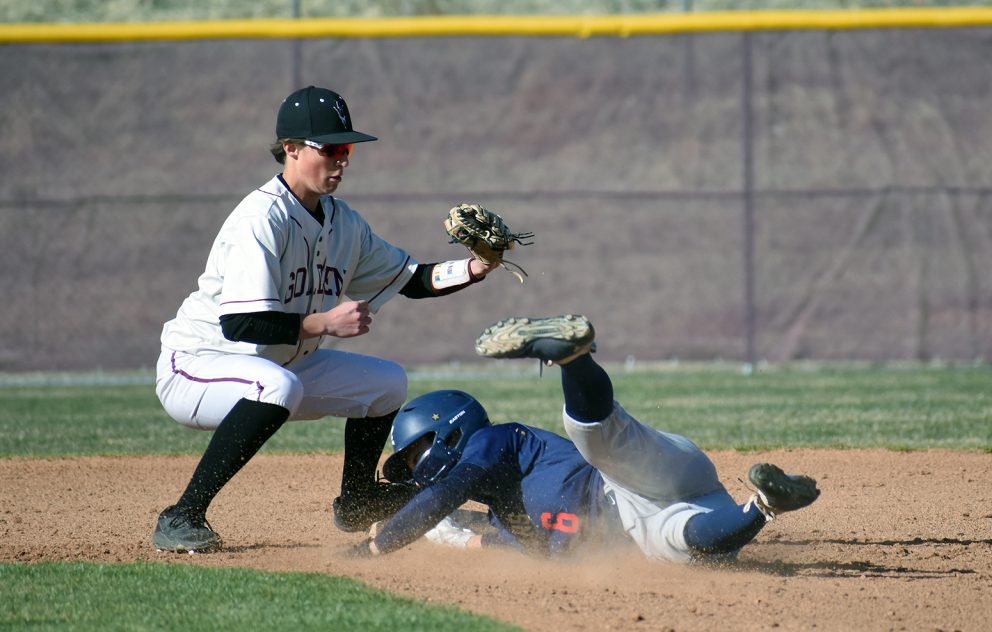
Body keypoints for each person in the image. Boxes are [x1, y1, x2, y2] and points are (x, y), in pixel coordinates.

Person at [152, 85, 502, 553]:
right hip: (199, 363)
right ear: (291, 149)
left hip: (278, 364)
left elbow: (413, 278)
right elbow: (240, 326)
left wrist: (477, 268)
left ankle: (357, 500)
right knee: (277, 388)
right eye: (331, 149)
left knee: (386, 384)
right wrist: (321, 323)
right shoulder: (260, 220)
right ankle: (183, 515)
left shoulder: (344, 224)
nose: (342, 160)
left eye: (347, 149)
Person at [354, 315, 820, 562]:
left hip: (626, 478)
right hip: (636, 523)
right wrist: (463, 535)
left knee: (595, 441)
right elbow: (515, 541)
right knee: (685, 545)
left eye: (415, 454)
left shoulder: (492, 442)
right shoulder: (503, 514)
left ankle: (573, 357)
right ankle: (765, 503)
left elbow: (442, 496)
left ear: (451, 430)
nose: (415, 469)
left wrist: (374, 548)